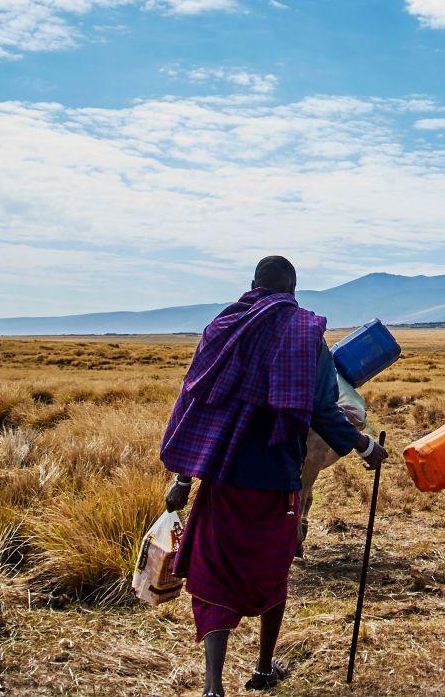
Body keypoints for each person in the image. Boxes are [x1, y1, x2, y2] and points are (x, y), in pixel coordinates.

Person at [160, 256, 387, 697]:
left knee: (214, 573)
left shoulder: (223, 330)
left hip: (222, 477)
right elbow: (324, 410)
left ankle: (212, 687)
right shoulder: (306, 338)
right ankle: (264, 668)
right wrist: (364, 445)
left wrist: (184, 479)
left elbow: (199, 404)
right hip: (278, 479)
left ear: (252, 285)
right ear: (294, 289)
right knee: (272, 568)